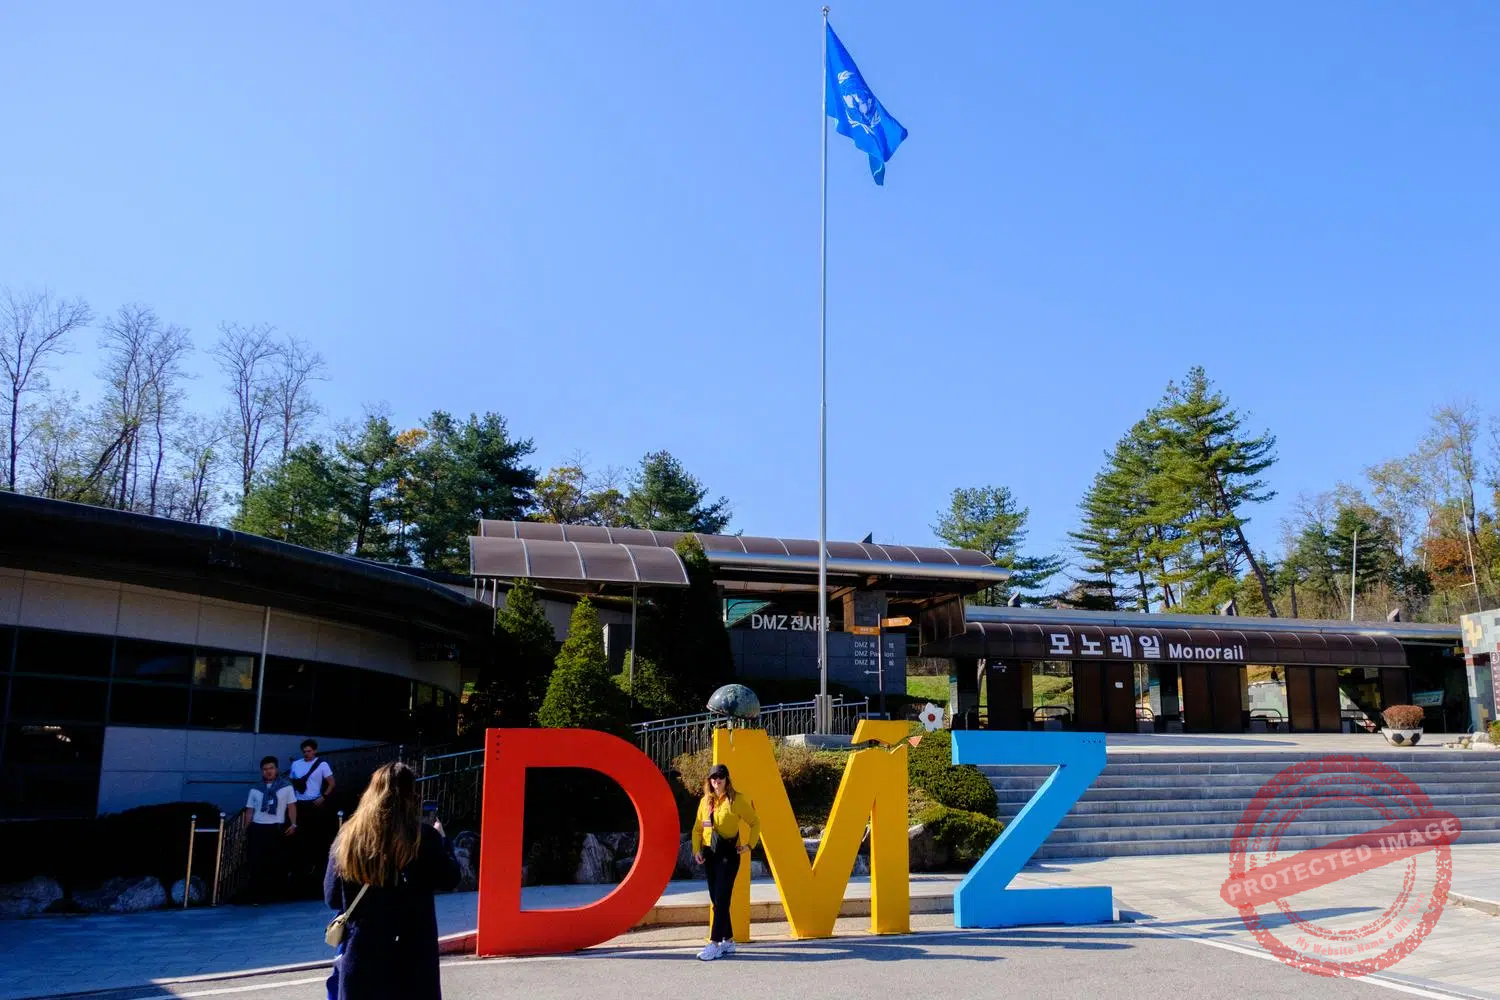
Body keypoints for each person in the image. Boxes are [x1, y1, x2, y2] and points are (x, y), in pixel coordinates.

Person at [324, 762, 460, 1000]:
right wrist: (443, 841)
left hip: (363, 954)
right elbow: (450, 878)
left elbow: (332, 896)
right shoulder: (422, 838)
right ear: (412, 796)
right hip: (413, 955)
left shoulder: (348, 838)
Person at [690, 763, 760, 961]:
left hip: (728, 855)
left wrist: (749, 845)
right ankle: (728, 941)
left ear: (727, 780)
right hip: (710, 854)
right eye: (713, 778)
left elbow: (755, 822)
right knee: (717, 899)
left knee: (721, 900)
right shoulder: (705, 802)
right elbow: (697, 829)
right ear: (709, 781)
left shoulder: (736, 800)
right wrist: (696, 850)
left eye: (720, 777)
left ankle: (714, 943)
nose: (716, 781)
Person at [241, 756, 297, 904]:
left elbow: (291, 806)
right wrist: (246, 828)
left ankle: (276, 894)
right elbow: (249, 810)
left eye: (271, 768)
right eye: (265, 769)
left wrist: (293, 824)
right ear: (262, 771)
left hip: (277, 828)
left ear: (276, 769)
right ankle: (257, 896)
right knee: (256, 863)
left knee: (277, 862)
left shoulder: (286, 787)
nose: (268, 771)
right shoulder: (255, 789)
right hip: (259, 827)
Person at [290, 739, 335, 891]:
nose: (307, 754)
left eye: (309, 751)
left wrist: (323, 796)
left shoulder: (322, 765)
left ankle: (317, 870)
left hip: (314, 803)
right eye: (304, 751)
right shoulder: (296, 764)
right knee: (301, 838)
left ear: (314, 751)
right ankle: (302, 871)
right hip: (299, 802)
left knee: (316, 836)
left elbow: (331, 782)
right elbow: (292, 781)